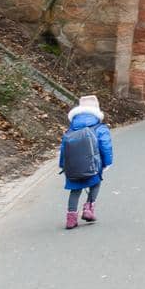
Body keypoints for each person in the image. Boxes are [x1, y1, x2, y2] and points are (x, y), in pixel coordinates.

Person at [59, 95, 113, 230]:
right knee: (95, 183)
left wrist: (63, 165)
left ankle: (71, 219)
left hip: (73, 167)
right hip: (94, 164)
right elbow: (105, 146)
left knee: (75, 190)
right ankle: (89, 208)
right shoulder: (100, 128)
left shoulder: (71, 129)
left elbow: (63, 148)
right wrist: (107, 162)